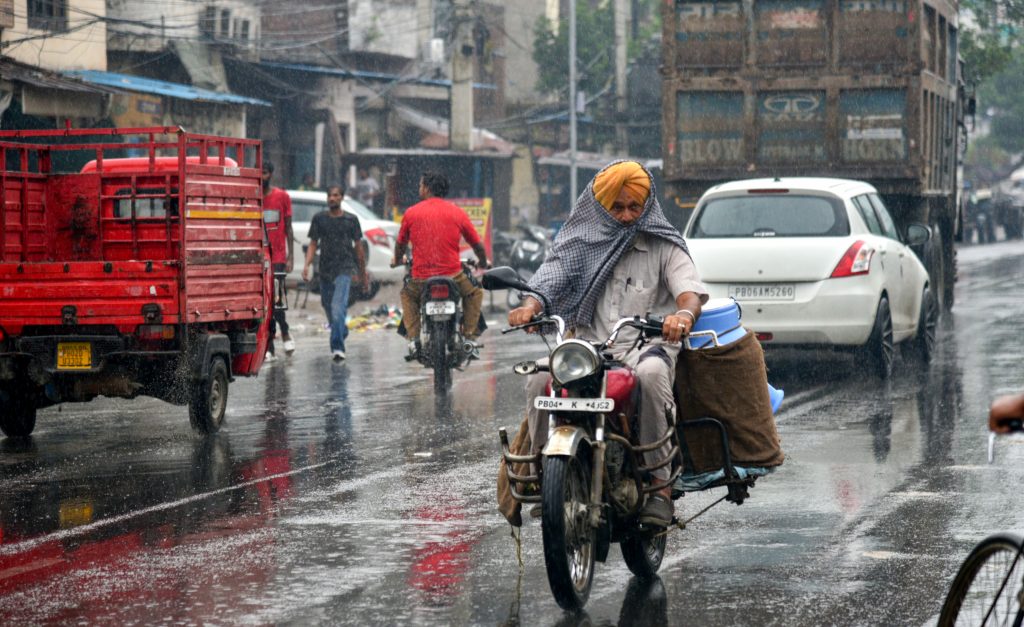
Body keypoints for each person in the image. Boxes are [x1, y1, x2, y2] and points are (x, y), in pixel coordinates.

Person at [508, 160, 708, 528]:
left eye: (635, 207)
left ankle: (660, 486)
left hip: (644, 346)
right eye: (617, 207)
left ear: (647, 206)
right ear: (600, 205)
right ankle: (544, 474)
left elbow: (689, 292)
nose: (627, 216)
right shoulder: (579, 243)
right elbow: (550, 278)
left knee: (650, 375)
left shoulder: (664, 246)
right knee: (539, 377)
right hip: (588, 348)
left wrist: (683, 317)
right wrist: (530, 307)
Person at [392, 171, 489, 357]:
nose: (419, 188)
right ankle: (469, 339)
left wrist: (397, 260)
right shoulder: (457, 212)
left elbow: (400, 244)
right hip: (453, 277)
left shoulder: (412, 212)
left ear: (427, 188)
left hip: (420, 279)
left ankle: (414, 340)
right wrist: (483, 262)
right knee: (474, 293)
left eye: (421, 185)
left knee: (408, 295)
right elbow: (477, 244)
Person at [303, 183, 368, 361]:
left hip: (344, 269)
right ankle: (342, 330)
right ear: (327, 198)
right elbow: (313, 243)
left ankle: (338, 347)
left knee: (338, 309)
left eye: (336, 195)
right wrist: (307, 265)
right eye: (330, 195)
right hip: (325, 270)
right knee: (328, 307)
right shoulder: (319, 219)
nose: (332, 198)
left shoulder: (351, 220)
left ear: (341, 198)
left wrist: (363, 274)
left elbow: (359, 248)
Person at [262, 161, 295, 361]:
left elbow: (289, 228)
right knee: (265, 304)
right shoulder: (253, 198)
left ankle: (285, 331)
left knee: (278, 301)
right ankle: (269, 344)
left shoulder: (282, 197)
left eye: (264, 173)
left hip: (278, 258)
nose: (261, 177)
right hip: (260, 259)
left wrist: (290, 256)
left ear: (271, 174)